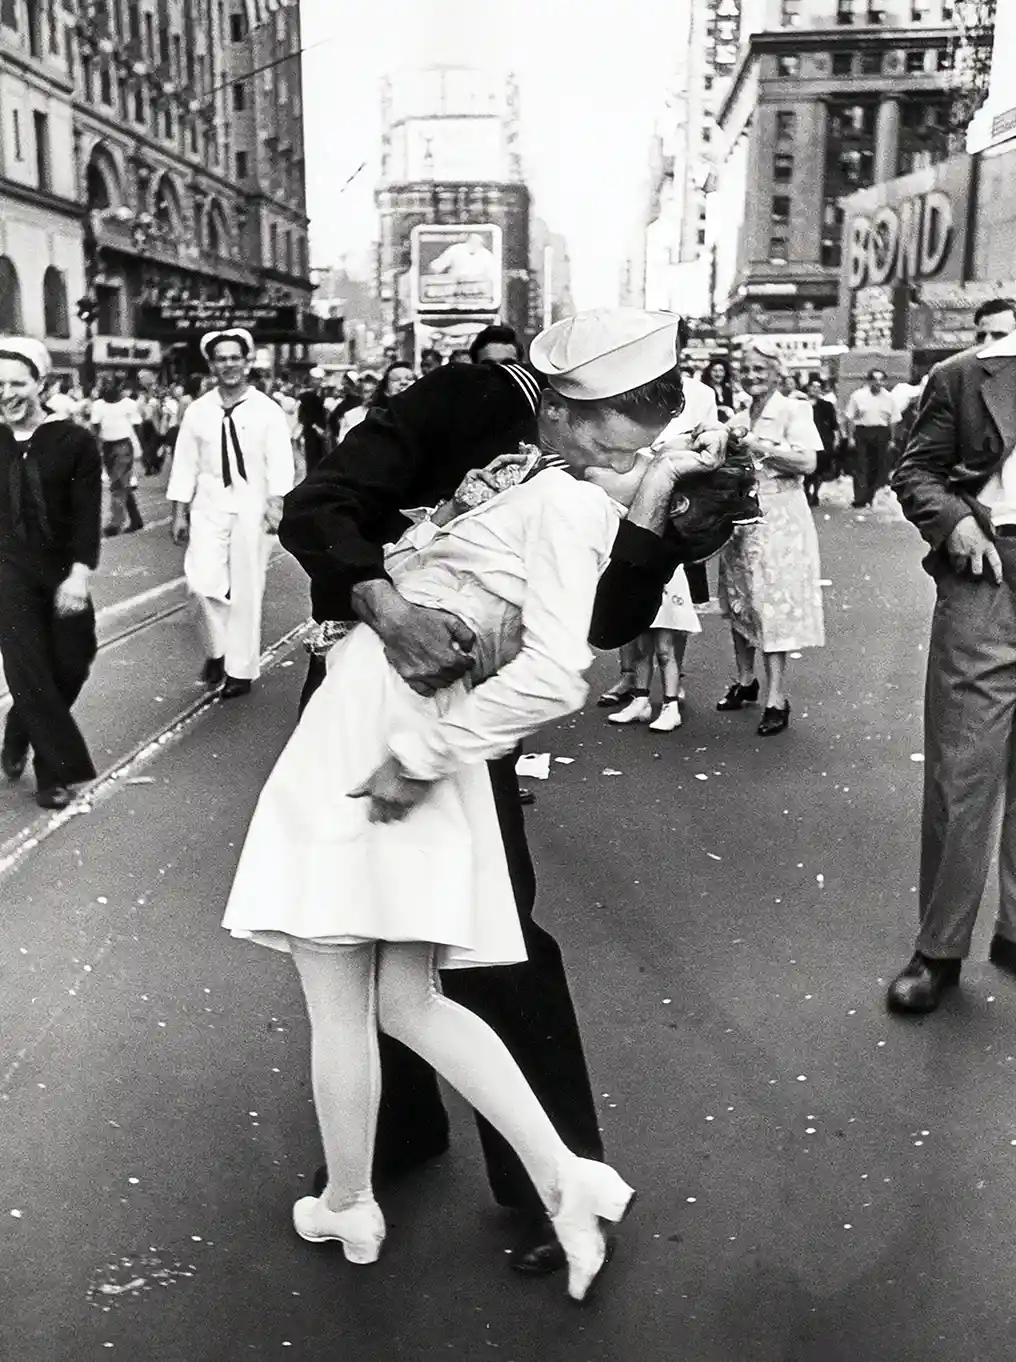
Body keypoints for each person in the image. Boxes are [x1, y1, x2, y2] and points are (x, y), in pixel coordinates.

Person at [224, 308, 719, 1299]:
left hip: (450, 719)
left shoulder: (607, 477)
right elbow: (319, 506)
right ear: (566, 404)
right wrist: (386, 603)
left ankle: (526, 1183)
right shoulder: (460, 402)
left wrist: (661, 531)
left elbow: (595, 627)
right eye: (626, 419)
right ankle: (397, 1146)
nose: (637, 440)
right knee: (390, 969)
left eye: (658, 422)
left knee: (480, 947)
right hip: (388, 690)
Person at [887, 311, 1016, 1013]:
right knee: (962, 769)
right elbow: (914, 471)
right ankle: (938, 950)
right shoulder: (969, 374)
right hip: (993, 570)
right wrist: (957, 520)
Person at [0, 338, 102, 809]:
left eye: (17, 383)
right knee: (29, 666)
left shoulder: (74, 442)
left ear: (41, 384)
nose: (7, 392)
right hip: (6, 570)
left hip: (61, 567)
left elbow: (85, 514)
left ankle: (19, 727)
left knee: (72, 662)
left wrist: (79, 574)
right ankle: (52, 773)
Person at [166, 329, 295, 699]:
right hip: (208, 507)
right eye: (221, 358)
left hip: (252, 508)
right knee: (200, 585)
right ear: (212, 365)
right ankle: (216, 650)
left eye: (235, 357)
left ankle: (239, 669)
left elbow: (280, 463)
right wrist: (179, 512)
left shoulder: (267, 410)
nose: (229, 365)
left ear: (247, 361)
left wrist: (276, 505)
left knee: (246, 590)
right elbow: (184, 464)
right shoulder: (198, 411)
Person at [716, 340, 824, 737]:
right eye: (746, 369)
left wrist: (754, 445)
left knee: (773, 605)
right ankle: (746, 680)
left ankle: (777, 698)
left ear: (778, 372)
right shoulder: (738, 415)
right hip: (741, 519)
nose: (752, 376)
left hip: (781, 517)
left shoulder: (795, 409)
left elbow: (807, 461)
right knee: (741, 600)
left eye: (760, 369)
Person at [605, 373, 723, 728]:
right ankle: (639, 695)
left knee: (666, 640)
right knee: (638, 633)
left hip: (669, 542)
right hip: (634, 535)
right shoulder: (624, 405)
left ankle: (670, 699)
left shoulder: (698, 400)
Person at [90, 375, 143, 535]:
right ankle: (136, 519)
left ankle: (115, 523)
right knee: (120, 484)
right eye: (104, 386)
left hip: (123, 446)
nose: (107, 389)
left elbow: (137, 426)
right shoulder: (98, 405)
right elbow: (95, 427)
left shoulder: (129, 404)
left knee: (118, 485)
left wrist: (137, 447)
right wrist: (96, 448)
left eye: (111, 385)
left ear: (119, 387)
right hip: (107, 446)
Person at [844, 369, 898, 509]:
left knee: (878, 466)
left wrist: (892, 440)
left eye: (881, 380)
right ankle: (860, 498)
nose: (878, 383)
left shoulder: (889, 397)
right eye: (875, 380)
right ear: (869, 381)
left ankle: (870, 495)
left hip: (881, 433)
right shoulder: (858, 396)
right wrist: (850, 438)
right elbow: (850, 417)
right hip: (863, 431)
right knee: (861, 465)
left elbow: (893, 420)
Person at [803, 375, 840, 506]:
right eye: (813, 387)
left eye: (818, 387)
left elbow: (833, 424)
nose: (815, 389)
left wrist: (835, 440)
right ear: (808, 388)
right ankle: (806, 491)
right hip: (804, 439)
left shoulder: (827, 405)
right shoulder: (801, 404)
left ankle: (816, 493)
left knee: (819, 469)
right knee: (806, 468)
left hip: (822, 439)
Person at [332, 370, 381, 444]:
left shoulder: (388, 413)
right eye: (367, 392)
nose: (372, 395)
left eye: (374, 391)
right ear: (361, 393)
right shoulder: (350, 416)